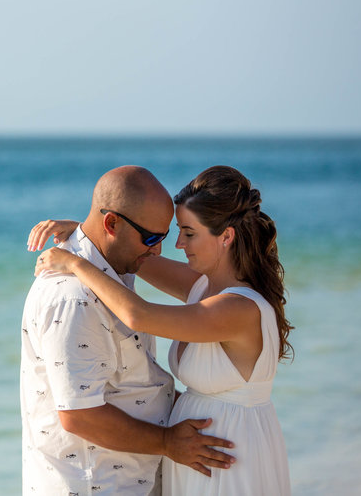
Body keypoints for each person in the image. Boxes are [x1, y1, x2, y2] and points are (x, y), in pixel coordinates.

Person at [30, 165, 292, 496]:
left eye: (189, 233)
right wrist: (87, 233)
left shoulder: (238, 309)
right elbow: (136, 256)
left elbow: (138, 314)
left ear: (226, 236)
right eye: (169, 234)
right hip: (197, 453)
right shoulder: (203, 286)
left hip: (225, 455)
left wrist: (76, 264)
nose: (177, 245)